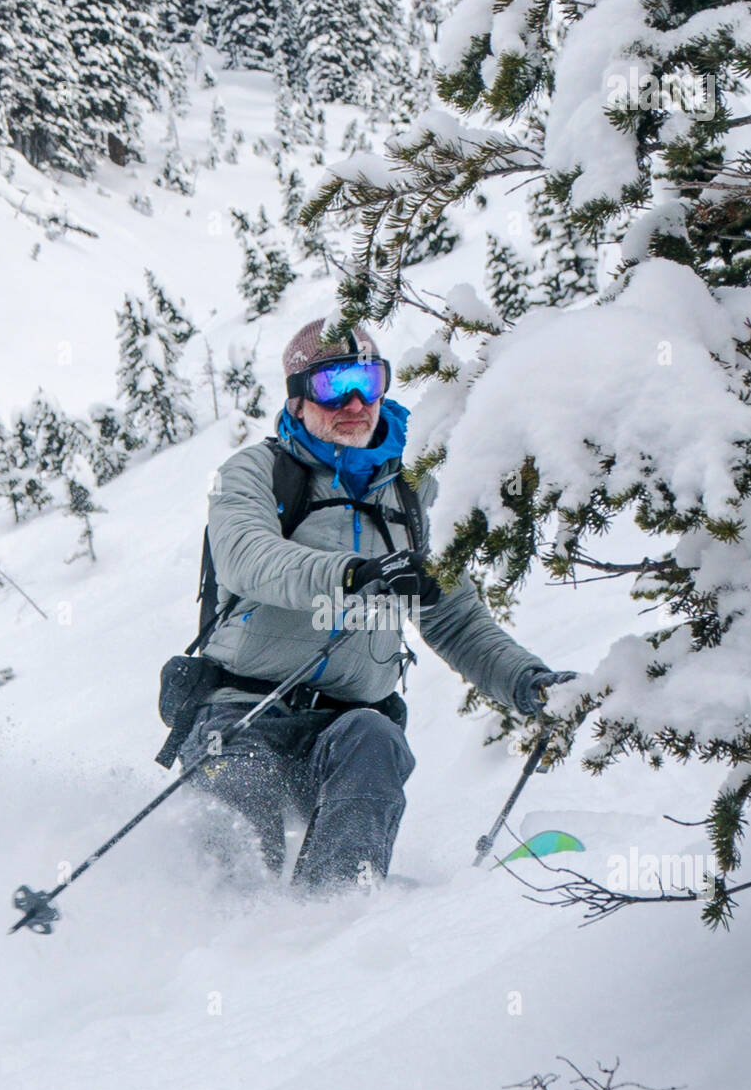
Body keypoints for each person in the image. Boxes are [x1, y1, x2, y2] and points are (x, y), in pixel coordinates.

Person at [177, 318, 576, 892]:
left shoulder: (413, 493)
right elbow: (249, 558)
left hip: (345, 728)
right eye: (332, 386)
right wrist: (356, 573)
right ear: (297, 396)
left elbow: (455, 617)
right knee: (242, 805)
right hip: (240, 717)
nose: (356, 402)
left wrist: (529, 684)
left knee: (375, 739)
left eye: (369, 379)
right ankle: (228, 940)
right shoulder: (255, 473)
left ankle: (334, 917)